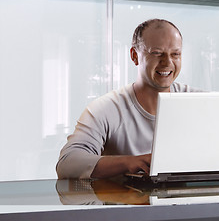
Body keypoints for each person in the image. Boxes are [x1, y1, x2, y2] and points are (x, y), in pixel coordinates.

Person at [56, 19, 198, 179]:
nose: (167, 62)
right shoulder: (105, 109)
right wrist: (132, 162)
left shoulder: (199, 103)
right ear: (134, 56)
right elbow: (67, 163)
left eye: (175, 54)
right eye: (157, 53)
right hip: (125, 202)